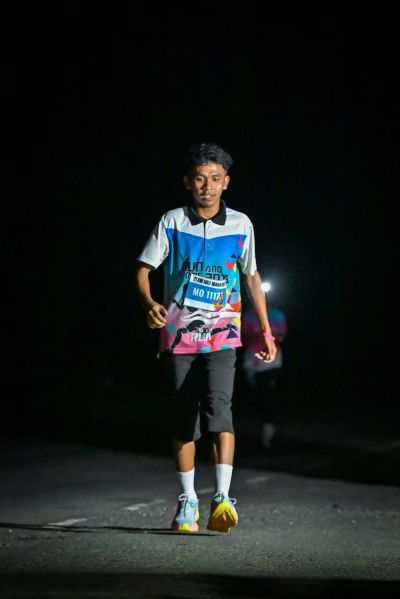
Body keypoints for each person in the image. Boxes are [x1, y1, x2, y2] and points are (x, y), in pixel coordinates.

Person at [135, 142, 276, 533]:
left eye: (215, 178)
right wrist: (149, 303)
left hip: (223, 336)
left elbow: (251, 277)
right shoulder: (172, 221)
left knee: (220, 410)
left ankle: (222, 498)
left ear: (226, 182)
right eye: (200, 179)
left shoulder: (241, 224)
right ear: (187, 182)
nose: (207, 186)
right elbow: (143, 269)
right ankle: (187, 502)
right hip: (178, 338)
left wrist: (266, 331)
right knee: (183, 418)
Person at [241, 291, 288, 449]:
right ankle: (256, 431)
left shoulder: (277, 315)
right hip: (252, 360)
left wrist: (269, 335)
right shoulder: (249, 315)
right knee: (255, 396)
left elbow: (281, 336)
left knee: (268, 396)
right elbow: (243, 335)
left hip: (271, 362)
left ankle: (267, 435)